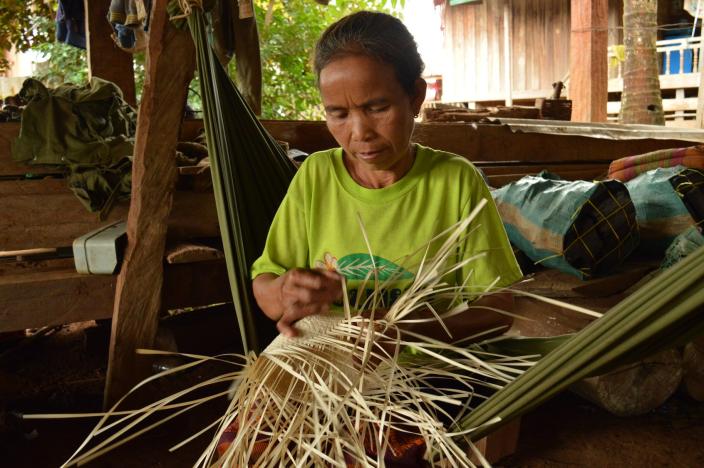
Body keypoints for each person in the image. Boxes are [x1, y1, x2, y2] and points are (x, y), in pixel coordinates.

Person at [251, 11, 522, 342]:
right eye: (338, 114)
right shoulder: (316, 176)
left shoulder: (456, 182)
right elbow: (265, 286)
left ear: (415, 97)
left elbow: (499, 310)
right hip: (328, 376)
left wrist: (404, 333)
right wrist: (284, 292)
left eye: (377, 108)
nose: (359, 133)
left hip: (428, 382)